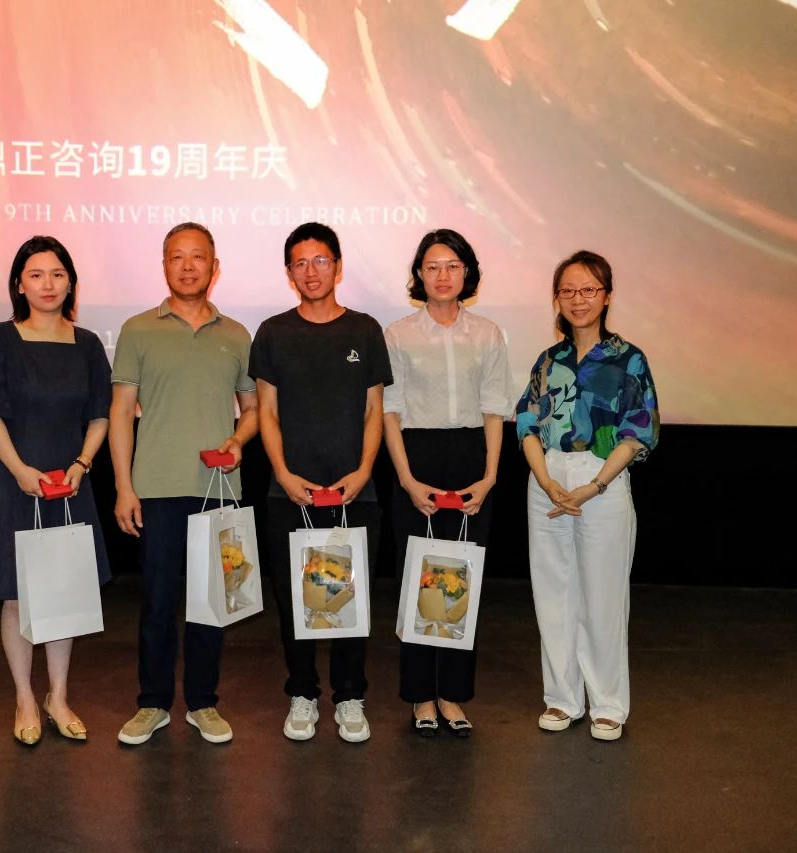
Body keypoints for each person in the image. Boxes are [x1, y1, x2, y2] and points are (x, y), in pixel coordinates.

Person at [0, 235, 111, 744]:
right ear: (19, 284)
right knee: (17, 595)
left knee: (64, 593)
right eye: (36, 274)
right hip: (14, 482)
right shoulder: (1, 339)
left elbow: (101, 415)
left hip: (70, 485)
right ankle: (24, 696)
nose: (48, 284)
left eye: (58, 274)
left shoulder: (87, 344)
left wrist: (81, 465)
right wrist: (21, 469)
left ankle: (57, 697)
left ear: (71, 283)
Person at [110, 222, 258, 745]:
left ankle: (202, 702)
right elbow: (121, 411)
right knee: (156, 603)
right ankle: (152, 703)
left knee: (213, 602)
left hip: (219, 488)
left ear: (215, 268)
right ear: (164, 265)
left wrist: (238, 440)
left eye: (198, 257)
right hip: (155, 487)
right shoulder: (137, 329)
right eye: (177, 256)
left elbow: (253, 409)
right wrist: (124, 486)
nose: (188, 266)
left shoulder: (237, 334)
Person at [251, 222, 392, 743]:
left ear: (338, 266)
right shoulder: (272, 332)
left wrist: (363, 471)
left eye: (321, 261)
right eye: (300, 263)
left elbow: (374, 410)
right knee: (295, 599)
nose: (311, 272)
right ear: (289, 272)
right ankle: (303, 693)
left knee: (351, 597)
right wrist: (283, 474)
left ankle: (350, 695)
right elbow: (266, 411)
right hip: (289, 492)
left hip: (357, 491)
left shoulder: (365, 330)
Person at [516, 249, 659, 742]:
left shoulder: (628, 359)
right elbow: (526, 423)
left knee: (603, 596)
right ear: (556, 298)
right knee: (553, 594)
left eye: (589, 290)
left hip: (602, 478)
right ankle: (562, 698)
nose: (578, 300)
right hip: (548, 478)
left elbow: (638, 432)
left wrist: (594, 485)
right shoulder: (548, 360)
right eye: (568, 291)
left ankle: (608, 704)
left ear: (607, 296)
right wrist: (545, 479)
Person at [383, 228, 512, 738]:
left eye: (453, 266)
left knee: (462, 581)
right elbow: (390, 412)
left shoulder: (488, 333)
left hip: (472, 459)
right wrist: (407, 479)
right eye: (433, 266)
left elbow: (495, 408)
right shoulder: (398, 335)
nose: (442, 275)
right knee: (417, 580)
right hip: (417, 459)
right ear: (419, 273)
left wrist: (490, 476)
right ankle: (420, 694)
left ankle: (453, 694)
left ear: (467, 273)